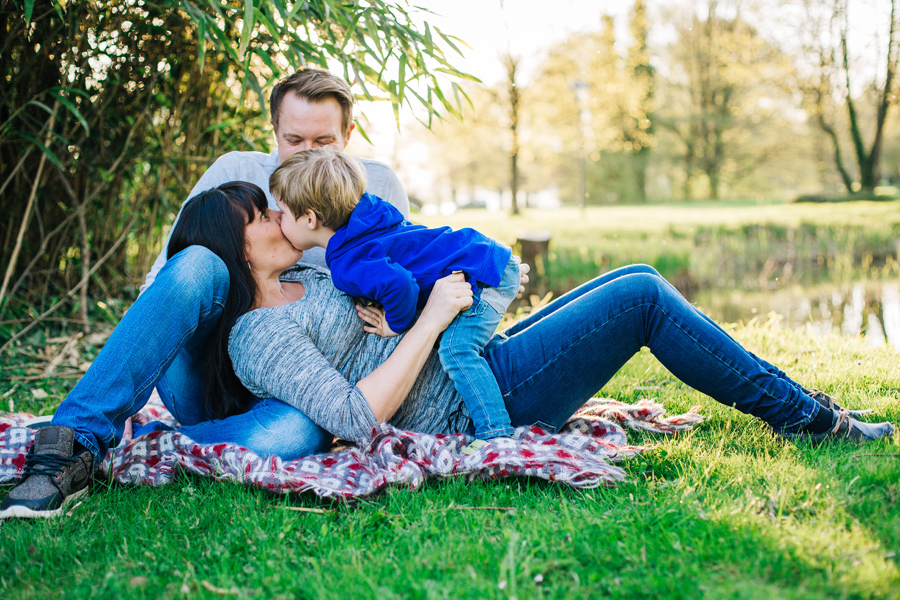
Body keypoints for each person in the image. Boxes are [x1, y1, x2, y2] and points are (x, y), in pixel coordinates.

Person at [0, 67, 408, 519]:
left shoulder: (376, 189)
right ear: (274, 131)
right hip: (207, 373)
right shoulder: (236, 172)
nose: (308, 154)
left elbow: (398, 289)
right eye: (294, 140)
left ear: (348, 135)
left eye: (324, 142)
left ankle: (151, 447)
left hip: (299, 386)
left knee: (299, 434)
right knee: (198, 262)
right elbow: (167, 283)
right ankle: (73, 441)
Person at [220, 214, 897, 453]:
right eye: (258, 215)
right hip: (473, 406)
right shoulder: (257, 333)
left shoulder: (310, 274)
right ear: (236, 246)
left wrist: (454, 286)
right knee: (640, 300)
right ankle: (809, 419)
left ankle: (801, 406)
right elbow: (351, 416)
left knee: (638, 275)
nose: (277, 215)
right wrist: (428, 319)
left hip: (481, 361)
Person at [269, 149, 519, 441]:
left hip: (478, 276)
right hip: (478, 256)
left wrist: (394, 323)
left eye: (282, 211)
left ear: (310, 218)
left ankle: (496, 435)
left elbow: (401, 285)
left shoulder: (348, 262)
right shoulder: (370, 215)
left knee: (457, 351)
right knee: (466, 344)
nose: (278, 218)